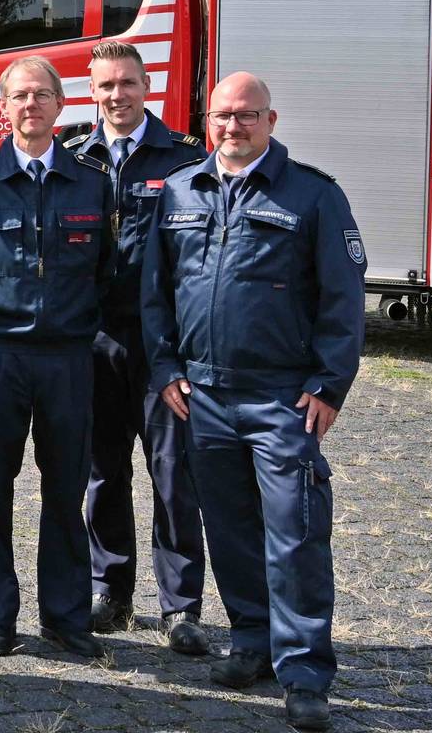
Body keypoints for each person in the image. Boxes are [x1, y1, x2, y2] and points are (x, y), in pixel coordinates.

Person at [143, 72, 366, 733]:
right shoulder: (181, 189)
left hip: (280, 397)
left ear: (272, 119)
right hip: (202, 394)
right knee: (230, 529)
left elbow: (342, 301)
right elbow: (156, 290)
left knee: (294, 534)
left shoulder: (312, 196)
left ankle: (303, 671)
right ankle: (252, 642)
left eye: (247, 115)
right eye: (222, 116)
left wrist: (329, 385)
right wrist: (163, 366)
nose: (233, 127)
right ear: (206, 120)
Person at [0, 56, 116, 662]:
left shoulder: (94, 182)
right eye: (19, 96)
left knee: (65, 488)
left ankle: (66, 615)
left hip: (69, 359)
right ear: (3, 106)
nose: (31, 106)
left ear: (61, 104)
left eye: (42, 95)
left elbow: (106, 270)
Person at [64, 41, 210, 653]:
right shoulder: (77, 159)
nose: (116, 96)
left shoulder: (184, 160)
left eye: (126, 83)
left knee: (173, 473)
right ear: (91, 92)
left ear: (146, 85)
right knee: (103, 471)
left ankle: (181, 608)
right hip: (94, 340)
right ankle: (112, 590)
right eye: (105, 86)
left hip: (160, 345)